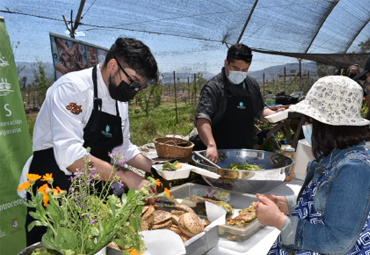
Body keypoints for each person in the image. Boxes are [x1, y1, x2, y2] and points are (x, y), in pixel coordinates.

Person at [20, 37, 159, 245]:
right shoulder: (72, 88)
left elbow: (122, 146)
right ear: (113, 65)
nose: (135, 90)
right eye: (133, 81)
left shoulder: (119, 99)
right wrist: (126, 175)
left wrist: (156, 168)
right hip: (53, 185)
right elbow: (70, 156)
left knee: (92, 242)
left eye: (140, 86)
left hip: (90, 184)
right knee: (54, 244)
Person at [255, 75, 370, 254]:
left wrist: (279, 220)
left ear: (327, 125)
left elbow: (338, 241)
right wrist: (284, 203)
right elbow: (325, 202)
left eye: (310, 120)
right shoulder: (334, 154)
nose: (306, 125)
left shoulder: (354, 169)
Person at [190, 44, 280, 163]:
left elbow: (260, 110)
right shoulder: (214, 87)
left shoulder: (251, 85)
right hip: (217, 155)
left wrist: (276, 115)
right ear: (226, 63)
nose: (240, 73)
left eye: (244, 70)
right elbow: (202, 119)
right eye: (236, 68)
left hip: (244, 153)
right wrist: (211, 145)